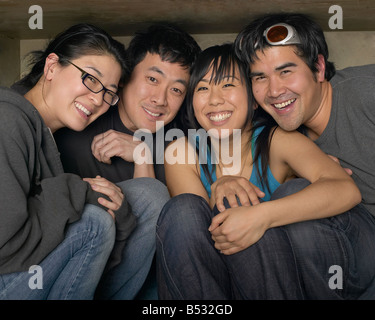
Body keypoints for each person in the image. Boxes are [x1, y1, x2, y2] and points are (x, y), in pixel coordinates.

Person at [155, 43, 362, 299]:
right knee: (187, 208)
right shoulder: (182, 151)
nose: (214, 99)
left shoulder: (276, 141)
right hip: (212, 284)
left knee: (243, 208)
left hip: (272, 274)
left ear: (254, 101)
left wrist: (260, 216)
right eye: (203, 88)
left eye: (228, 85)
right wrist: (222, 189)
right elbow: (194, 234)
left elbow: (345, 189)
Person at [207, 12, 375, 299]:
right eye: (260, 77)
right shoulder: (275, 134)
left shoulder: (365, 91)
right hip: (356, 252)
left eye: (286, 71)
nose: (274, 91)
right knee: (297, 195)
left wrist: (262, 216)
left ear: (319, 68)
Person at [54, 24, 201, 300]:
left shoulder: (181, 146)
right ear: (124, 78)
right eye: (153, 80)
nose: (160, 99)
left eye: (177, 90)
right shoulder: (79, 118)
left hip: (144, 282)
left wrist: (142, 155)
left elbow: (170, 241)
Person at [1, 23, 136, 300]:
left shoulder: (46, 135)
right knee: (93, 223)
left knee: (141, 199)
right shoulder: (8, 119)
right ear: (52, 67)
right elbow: (6, 243)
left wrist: (114, 212)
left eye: (108, 93)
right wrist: (82, 191)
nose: (98, 99)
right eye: (90, 79)